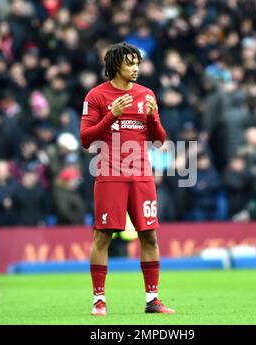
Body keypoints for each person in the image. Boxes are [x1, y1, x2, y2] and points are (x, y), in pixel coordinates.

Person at [80, 42, 175, 316]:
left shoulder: (147, 94)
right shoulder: (96, 96)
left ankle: (152, 300)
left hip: (142, 175)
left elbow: (159, 140)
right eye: (129, 63)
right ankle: (99, 300)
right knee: (103, 236)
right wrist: (113, 115)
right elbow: (86, 139)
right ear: (115, 65)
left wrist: (152, 118)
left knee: (150, 236)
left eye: (137, 63)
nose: (135, 68)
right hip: (110, 174)